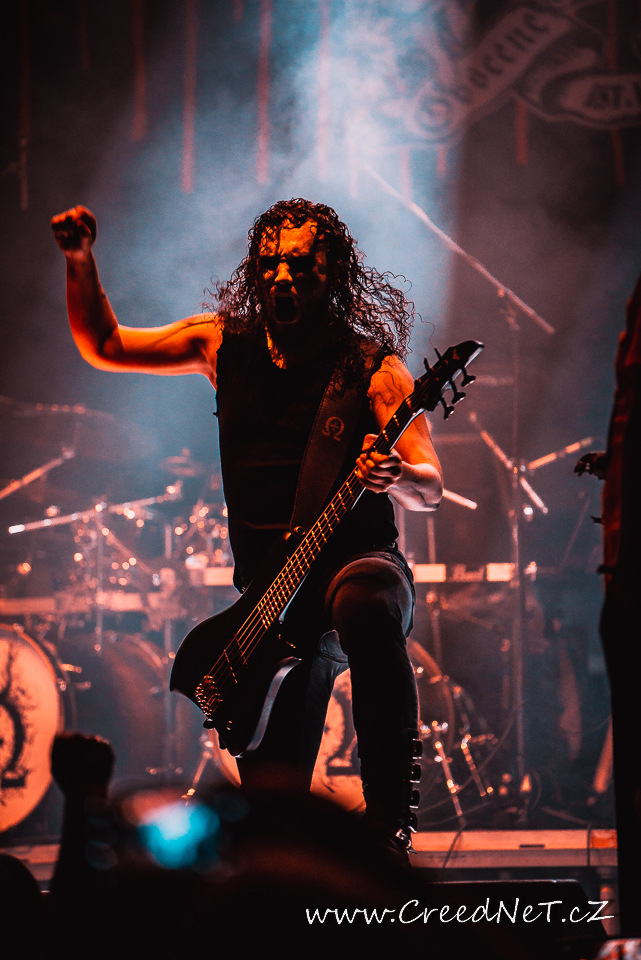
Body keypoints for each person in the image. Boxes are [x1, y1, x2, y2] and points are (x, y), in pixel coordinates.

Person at [51, 199, 442, 860]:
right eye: (270, 264)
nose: (282, 277)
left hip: (356, 561)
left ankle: (388, 826)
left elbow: (430, 487)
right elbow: (105, 345)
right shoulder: (220, 343)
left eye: (300, 265)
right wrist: (79, 260)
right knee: (273, 818)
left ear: (333, 273)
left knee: (366, 602)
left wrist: (395, 473)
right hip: (271, 598)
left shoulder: (374, 368)